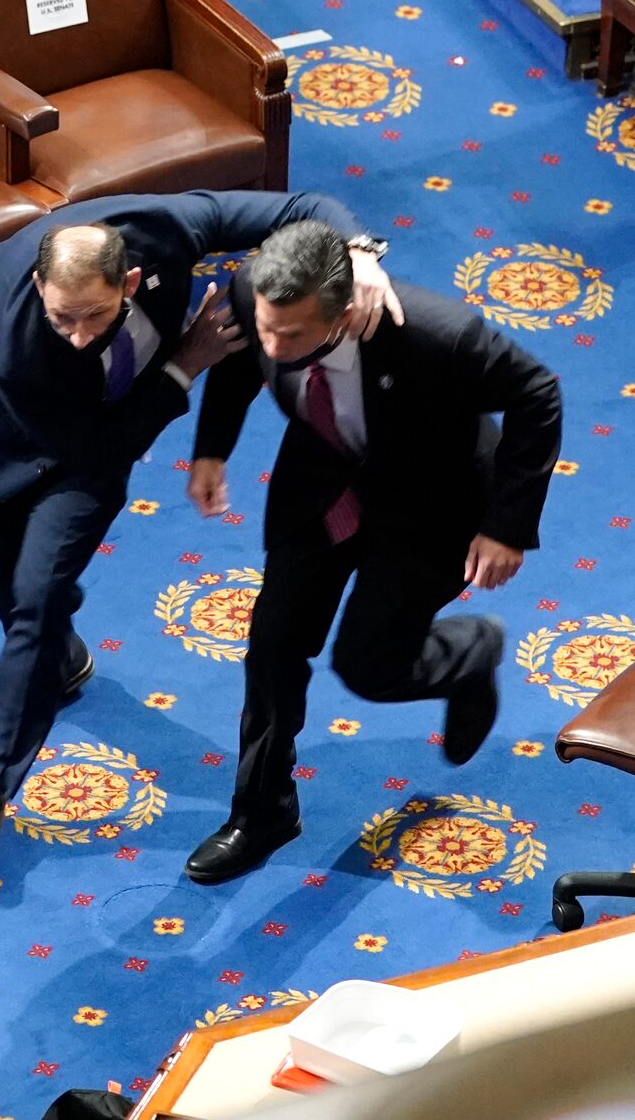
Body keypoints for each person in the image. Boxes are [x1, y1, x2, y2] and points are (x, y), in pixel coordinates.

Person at [0, 190, 397, 870]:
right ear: (37, 286)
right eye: (63, 317)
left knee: (37, 594)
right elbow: (100, 441)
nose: (81, 333)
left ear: (129, 280)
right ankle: (57, 665)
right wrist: (185, 363)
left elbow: (305, 203)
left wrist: (359, 253)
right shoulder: (18, 343)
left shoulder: (166, 227)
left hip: (88, 459)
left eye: (94, 314)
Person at [178, 220, 562, 885]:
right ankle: (262, 810)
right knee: (271, 645)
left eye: (292, 336)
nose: (275, 344)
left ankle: (469, 653)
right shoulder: (259, 298)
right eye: (267, 327)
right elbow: (243, 357)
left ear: (342, 313)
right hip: (323, 488)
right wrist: (212, 447)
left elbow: (537, 394)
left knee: (368, 667)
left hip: (429, 509)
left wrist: (506, 525)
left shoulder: (438, 336)